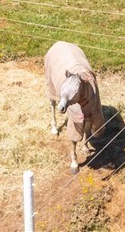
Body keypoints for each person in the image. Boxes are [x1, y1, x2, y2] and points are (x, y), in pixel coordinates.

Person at [44, 40, 104, 170]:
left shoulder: (89, 90)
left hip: (80, 92)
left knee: (88, 115)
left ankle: (85, 143)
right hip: (71, 95)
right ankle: (73, 156)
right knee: (64, 108)